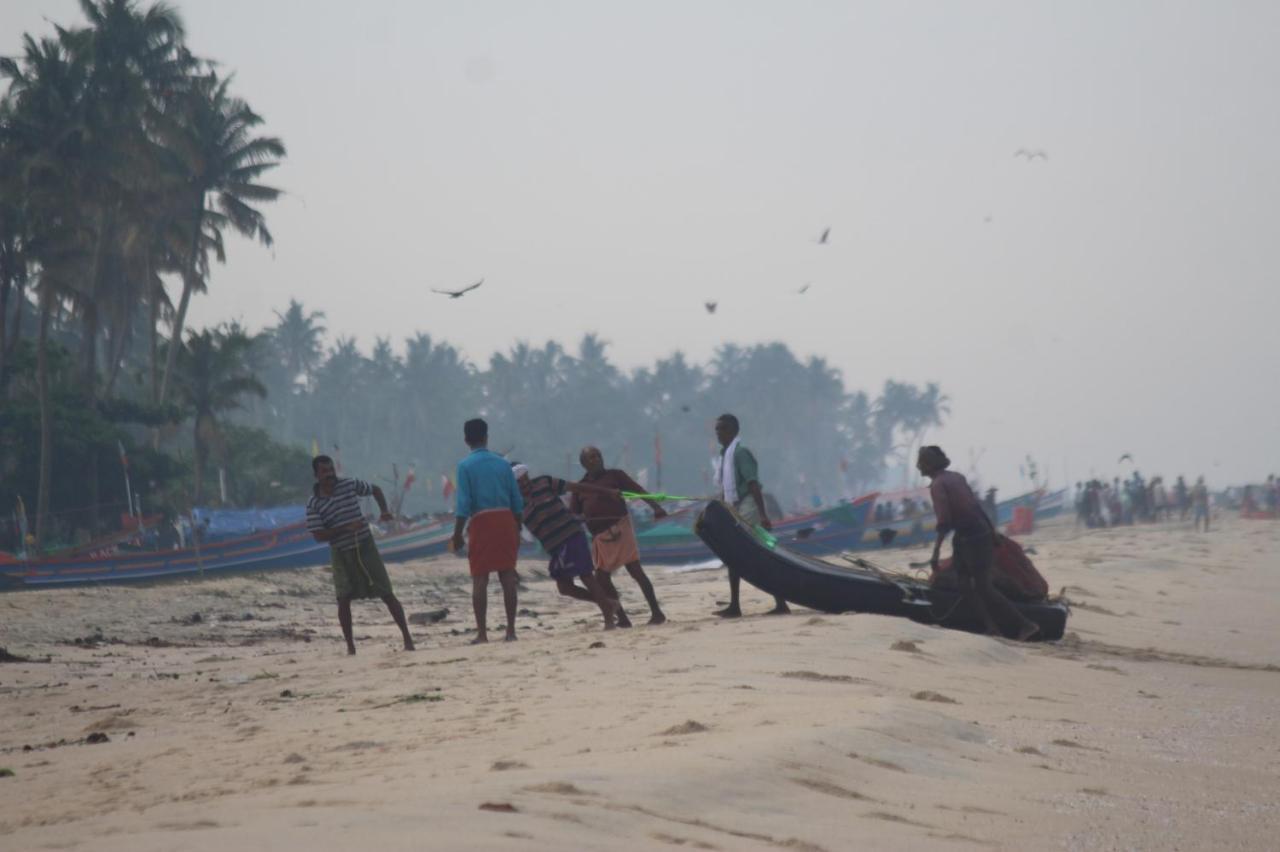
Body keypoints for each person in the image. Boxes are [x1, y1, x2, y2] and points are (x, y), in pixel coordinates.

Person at [918, 445, 1039, 641]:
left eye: (921, 462)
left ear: (928, 465)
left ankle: (1026, 624)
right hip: (972, 534)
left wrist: (935, 553)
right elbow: (977, 507)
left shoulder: (939, 485)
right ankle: (991, 627)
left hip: (973, 538)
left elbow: (944, 522)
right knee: (964, 584)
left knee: (983, 586)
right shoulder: (956, 477)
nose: (918, 467)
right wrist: (992, 531)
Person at [306, 455, 415, 655]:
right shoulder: (314, 504)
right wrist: (346, 528)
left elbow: (375, 489)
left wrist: (384, 511)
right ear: (316, 475)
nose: (330, 474)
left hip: (365, 545)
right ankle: (350, 647)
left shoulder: (348, 485)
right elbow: (319, 535)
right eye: (324, 471)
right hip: (340, 552)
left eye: (331, 470)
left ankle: (408, 640)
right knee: (343, 598)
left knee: (386, 592)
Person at [512, 463, 620, 630]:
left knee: (586, 576)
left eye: (525, 478)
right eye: (519, 481)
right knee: (564, 587)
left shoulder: (544, 482)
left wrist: (608, 492)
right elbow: (515, 532)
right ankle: (608, 603)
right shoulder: (516, 504)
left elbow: (577, 487)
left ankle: (608, 616)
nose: (524, 483)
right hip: (555, 548)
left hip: (571, 535)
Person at [571, 445, 668, 625]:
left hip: (620, 528)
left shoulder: (615, 475)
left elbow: (638, 490)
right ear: (584, 463)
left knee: (635, 571)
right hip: (599, 537)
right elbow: (574, 514)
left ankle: (657, 613)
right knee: (602, 578)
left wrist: (656, 507)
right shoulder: (579, 487)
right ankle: (623, 619)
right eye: (591, 457)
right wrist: (582, 518)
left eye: (598, 455)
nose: (597, 459)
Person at [451, 419, 524, 643]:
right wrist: (517, 525)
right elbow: (516, 500)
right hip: (505, 519)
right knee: (508, 576)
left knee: (480, 579)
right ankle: (510, 631)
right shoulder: (503, 464)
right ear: (486, 437)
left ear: (466, 440)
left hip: (481, 521)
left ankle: (482, 633)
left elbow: (463, 504)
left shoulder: (465, 466)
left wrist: (457, 534)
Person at [712, 413, 789, 618]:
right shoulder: (725, 456)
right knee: (734, 555)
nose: (718, 433)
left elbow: (753, 484)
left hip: (749, 504)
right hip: (736, 505)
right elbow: (728, 488)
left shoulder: (741, 453)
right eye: (717, 429)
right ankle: (736, 606)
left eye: (722, 429)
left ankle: (779, 602)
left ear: (733, 431)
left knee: (745, 552)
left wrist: (763, 514)